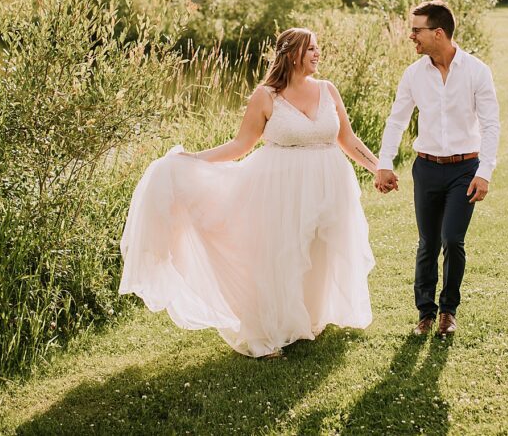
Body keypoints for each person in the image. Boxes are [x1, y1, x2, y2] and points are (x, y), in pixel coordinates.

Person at [119, 28, 378, 358]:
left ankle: (303, 321)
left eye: (317, 48)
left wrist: (378, 167)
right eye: (311, 49)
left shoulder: (328, 90)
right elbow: (242, 144)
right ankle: (264, 334)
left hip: (328, 189)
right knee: (277, 257)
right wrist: (194, 160)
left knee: (318, 255)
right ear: (292, 54)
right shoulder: (266, 96)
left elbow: (348, 139)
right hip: (279, 190)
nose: (317, 54)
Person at [374, 1, 500, 337]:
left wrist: (484, 171)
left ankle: (448, 312)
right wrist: (384, 163)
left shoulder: (477, 71)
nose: (411, 36)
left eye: (417, 30)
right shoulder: (414, 74)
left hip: (465, 170)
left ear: (438, 33)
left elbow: (491, 125)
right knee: (428, 243)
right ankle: (425, 314)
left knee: (452, 240)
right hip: (426, 168)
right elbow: (396, 120)